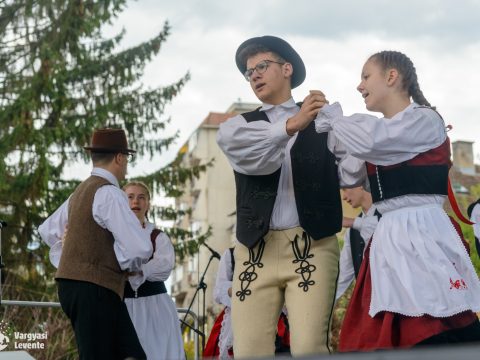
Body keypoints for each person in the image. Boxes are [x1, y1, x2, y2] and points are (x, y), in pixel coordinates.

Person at [313, 50, 480, 350]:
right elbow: (350, 174)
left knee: (434, 324)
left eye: (366, 76)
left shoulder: (424, 120)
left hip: (421, 232)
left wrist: (335, 119)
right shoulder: (382, 134)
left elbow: (375, 140)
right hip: (389, 237)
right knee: (384, 329)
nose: (359, 86)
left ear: (391, 77)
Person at [216, 35, 364, 357]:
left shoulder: (321, 119)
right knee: (248, 351)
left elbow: (353, 170)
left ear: (287, 69)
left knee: (310, 347)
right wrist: (292, 125)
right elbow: (244, 152)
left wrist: (338, 124)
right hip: (256, 248)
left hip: (311, 244)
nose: (253, 74)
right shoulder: (240, 127)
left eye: (261, 66)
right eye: (248, 71)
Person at [38, 128, 152, 360]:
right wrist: (116, 262)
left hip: (76, 287)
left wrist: (71, 247)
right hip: (95, 289)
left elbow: (47, 231)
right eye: (127, 159)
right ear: (120, 158)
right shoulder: (110, 193)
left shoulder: (80, 192)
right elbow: (139, 248)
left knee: (130, 354)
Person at [122, 181, 185, 360]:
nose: (136, 201)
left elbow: (164, 266)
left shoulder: (157, 236)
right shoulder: (112, 235)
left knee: (158, 353)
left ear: (147, 204)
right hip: (122, 306)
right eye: (130, 197)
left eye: (141, 197)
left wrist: (139, 271)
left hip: (155, 307)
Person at [203, 248, 290, 359]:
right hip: (237, 317)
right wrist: (241, 290)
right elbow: (218, 291)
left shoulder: (277, 249)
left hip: (271, 317)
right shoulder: (231, 254)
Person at [336, 186, 375, 300]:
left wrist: (353, 222)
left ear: (360, 184)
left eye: (344, 189)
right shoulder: (352, 231)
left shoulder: (389, 217)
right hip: (367, 302)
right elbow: (343, 275)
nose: (343, 197)